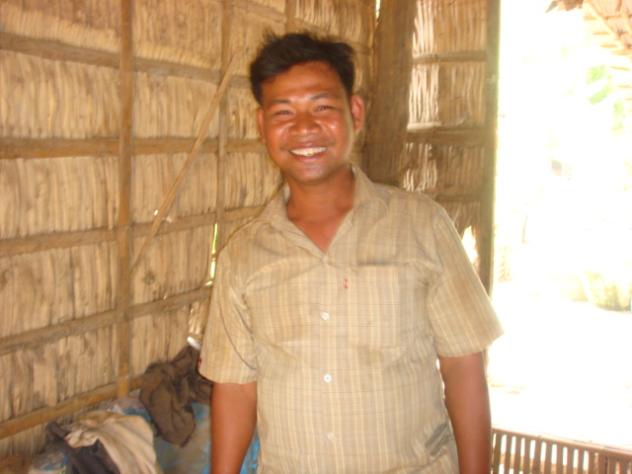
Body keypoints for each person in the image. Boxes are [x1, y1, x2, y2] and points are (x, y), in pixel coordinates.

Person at [199, 32, 502, 473]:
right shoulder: (242, 255)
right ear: (262, 126)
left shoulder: (422, 226)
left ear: (354, 113)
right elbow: (236, 388)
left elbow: (463, 367)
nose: (304, 127)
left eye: (322, 107)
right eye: (284, 113)